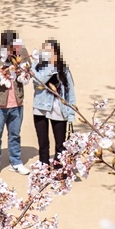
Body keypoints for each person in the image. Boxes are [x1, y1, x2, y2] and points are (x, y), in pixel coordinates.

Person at [0, 29, 31, 178]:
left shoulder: (23, 53)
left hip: (17, 102)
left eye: (15, 47)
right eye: (10, 48)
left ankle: (16, 162)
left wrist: (22, 71)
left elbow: (28, 74)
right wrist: (0, 74)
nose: (13, 51)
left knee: (15, 134)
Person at [31, 38, 75, 166]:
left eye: (50, 51)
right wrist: (51, 68)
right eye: (45, 50)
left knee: (60, 144)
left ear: (56, 53)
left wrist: (71, 114)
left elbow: (70, 92)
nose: (47, 53)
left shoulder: (64, 69)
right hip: (40, 108)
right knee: (43, 143)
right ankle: (43, 169)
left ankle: (59, 171)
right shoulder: (37, 66)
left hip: (59, 109)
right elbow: (38, 81)